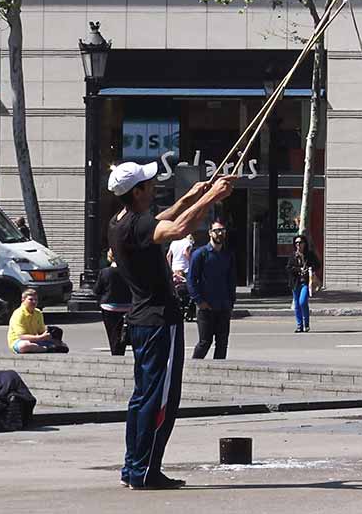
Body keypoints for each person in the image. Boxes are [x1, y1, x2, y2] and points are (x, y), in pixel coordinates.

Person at [107, 160, 233, 490]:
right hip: (161, 321)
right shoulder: (138, 226)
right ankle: (146, 472)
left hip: (142, 320)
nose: (154, 187)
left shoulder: (120, 223)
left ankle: (133, 467)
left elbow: (163, 221)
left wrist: (191, 196)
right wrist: (211, 199)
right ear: (137, 192)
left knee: (142, 398)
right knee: (161, 400)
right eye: (148, 184)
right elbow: (176, 230)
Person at [189, 220, 237, 356]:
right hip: (206, 307)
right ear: (210, 233)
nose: (220, 233)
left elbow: (231, 280)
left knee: (222, 343)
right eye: (217, 230)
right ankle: (194, 368)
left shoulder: (228, 255)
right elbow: (191, 280)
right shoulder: (200, 254)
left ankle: (219, 373)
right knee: (205, 342)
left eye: (223, 230)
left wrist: (231, 302)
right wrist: (199, 301)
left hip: (223, 306)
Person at [95, 249, 131, 356]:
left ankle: (115, 352)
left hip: (109, 306)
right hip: (127, 306)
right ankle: (121, 347)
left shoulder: (105, 272)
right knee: (123, 330)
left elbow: (97, 290)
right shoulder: (129, 271)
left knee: (112, 332)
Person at [8, 289, 66, 353]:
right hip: (19, 341)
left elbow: (41, 331)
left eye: (36, 300)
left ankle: (45, 348)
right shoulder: (19, 314)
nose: (34, 302)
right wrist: (40, 338)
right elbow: (22, 336)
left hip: (35, 339)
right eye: (31, 299)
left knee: (63, 345)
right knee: (24, 346)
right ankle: (47, 349)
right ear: (23, 300)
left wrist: (50, 335)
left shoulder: (38, 313)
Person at [287, 234, 321, 333]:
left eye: (300, 242)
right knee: (297, 305)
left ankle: (306, 323)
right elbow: (289, 268)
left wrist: (310, 268)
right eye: (296, 243)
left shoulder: (309, 255)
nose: (298, 244)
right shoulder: (293, 255)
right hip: (295, 283)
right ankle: (299, 325)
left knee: (302, 302)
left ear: (304, 244)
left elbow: (318, 265)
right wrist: (299, 269)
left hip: (306, 282)